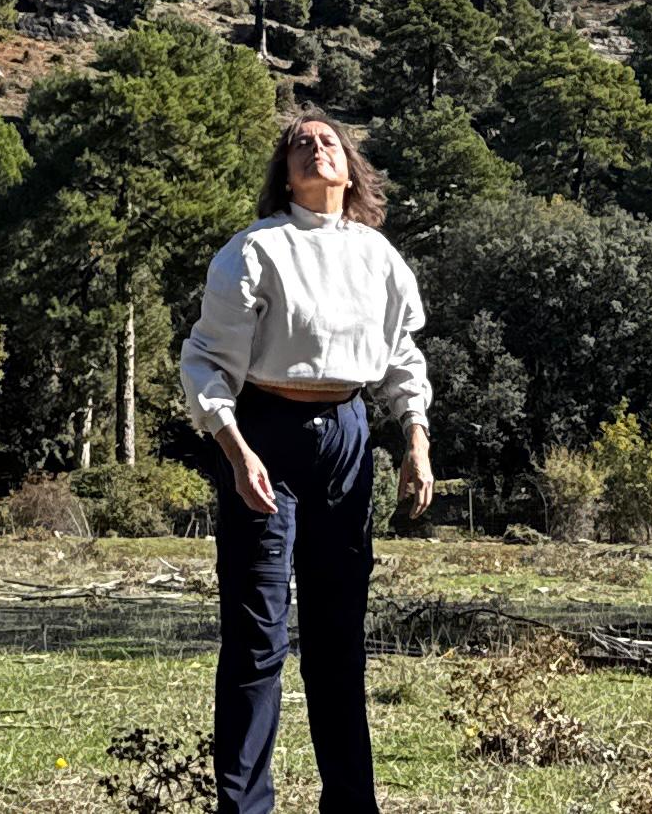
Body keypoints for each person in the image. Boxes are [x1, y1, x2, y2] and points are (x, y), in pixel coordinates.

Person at [180, 111, 433, 814]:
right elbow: (204, 361)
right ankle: (244, 806)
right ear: (284, 173)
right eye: (299, 144)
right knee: (259, 633)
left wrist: (415, 439)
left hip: (349, 438)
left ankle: (351, 805)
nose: (314, 149)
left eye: (327, 142)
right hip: (265, 436)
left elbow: (401, 356)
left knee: (338, 635)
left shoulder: (378, 256)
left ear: (349, 168)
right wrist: (235, 450)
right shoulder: (255, 250)